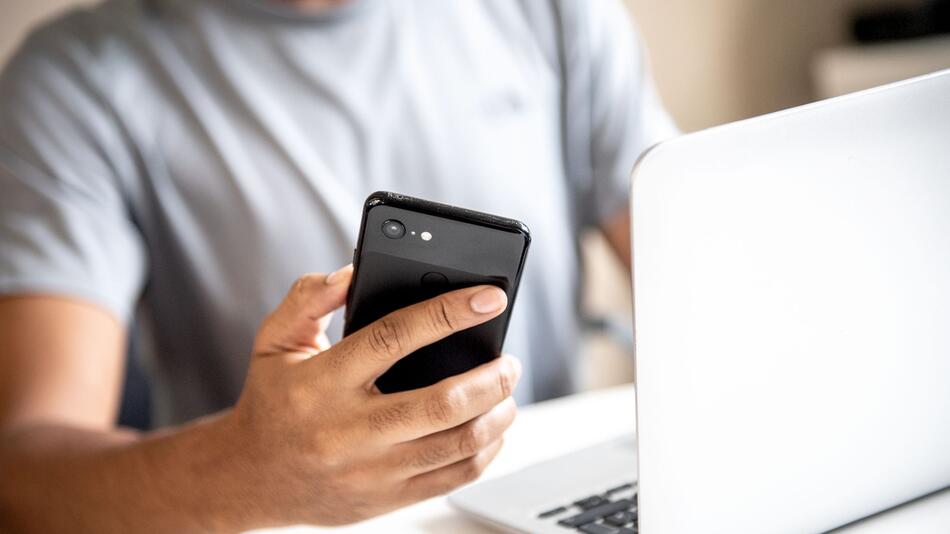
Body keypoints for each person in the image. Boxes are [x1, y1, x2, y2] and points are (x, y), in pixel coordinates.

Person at [0, 0, 676, 530]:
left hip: (552, 502)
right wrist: (246, 471)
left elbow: (707, 287)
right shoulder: (80, 80)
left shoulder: (554, 10)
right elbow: (21, 481)